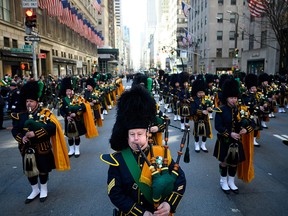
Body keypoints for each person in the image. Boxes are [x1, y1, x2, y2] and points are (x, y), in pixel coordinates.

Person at [101, 85, 186, 215]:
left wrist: (169, 204)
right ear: (126, 136)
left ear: (147, 134)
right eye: (132, 134)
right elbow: (115, 193)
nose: (136, 139)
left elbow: (180, 180)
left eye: (139, 134)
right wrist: (141, 213)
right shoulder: (118, 160)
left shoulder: (160, 153)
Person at [10, 81, 70, 203]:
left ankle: (43, 189)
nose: (29, 103)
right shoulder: (20, 115)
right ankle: (34, 190)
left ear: (37, 101)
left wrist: (35, 134)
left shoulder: (45, 113)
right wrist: (21, 138)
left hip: (42, 147)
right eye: (27, 101)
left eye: (31, 101)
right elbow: (15, 130)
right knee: (30, 171)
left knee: (43, 169)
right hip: (26, 148)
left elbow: (52, 128)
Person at [213, 78, 254, 194]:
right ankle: (223, 180)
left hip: (237, 141)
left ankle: (231, 181)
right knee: (225, 161)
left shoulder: (241, 110)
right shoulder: (220, 110)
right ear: (226, 98)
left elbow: (252, 123)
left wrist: (246, 129)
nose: (233, 100)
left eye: (235, 97)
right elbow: (218, 126)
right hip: (224, 140)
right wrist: (230, 133)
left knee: (234, 161)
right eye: (231, 98)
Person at [59, 77, 98, 158]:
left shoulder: (78, 98)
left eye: (69, 91)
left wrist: (76, 114)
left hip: (77, 119)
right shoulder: (63, 100)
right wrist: (66, 116)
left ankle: (77, 149)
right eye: (67, 91)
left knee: (76, 135)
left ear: (72, 91)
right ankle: (71, 149)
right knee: (69, 136)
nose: (68, 93)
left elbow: (83, 107)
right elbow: (61, 110)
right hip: (68, 120)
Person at [190, 76, 213, 153]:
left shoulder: (206, 99)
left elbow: (210, 107)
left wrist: (210, 109)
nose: (201, 94)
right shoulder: (193, 99)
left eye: (202, 92)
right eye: (199, 92)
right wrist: (201, 111)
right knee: (197, 132)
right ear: (196, 92)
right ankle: (196, 144)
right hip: (197, 118)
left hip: (205, 118)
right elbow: (192, 110)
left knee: (205, 132)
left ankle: (203, 145)